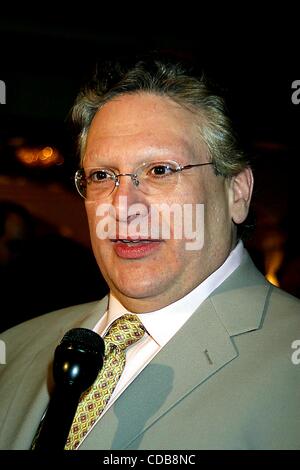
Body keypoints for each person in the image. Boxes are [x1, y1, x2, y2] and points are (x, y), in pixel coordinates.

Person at [0, 52, 299, 451]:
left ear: (237, 192)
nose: (123, 207)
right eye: (102, 176)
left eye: (160, 170)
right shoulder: (16, 349)